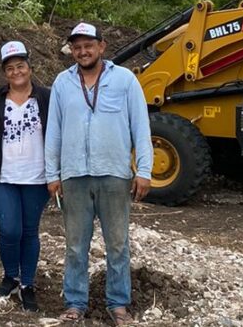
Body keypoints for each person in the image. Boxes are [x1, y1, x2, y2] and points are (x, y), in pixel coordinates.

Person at [45, 22, 153, 325]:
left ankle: (118, 304)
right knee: (75, 245)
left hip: (114, 175)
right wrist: (52, 174)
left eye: (88, 45)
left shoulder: (125, 80)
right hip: (74, 177)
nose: (82, 51)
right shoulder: (63, 83)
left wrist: (143, 170)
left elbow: (141, 127)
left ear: (101, 46)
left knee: (117, 244)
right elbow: (53, 132)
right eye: (77, 47)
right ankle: (75, 303)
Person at [0, 41, 52, 312]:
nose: (16, 72)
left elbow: (57, 136)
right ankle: (10, 276)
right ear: (4, 72)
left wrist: (57, 174)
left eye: (21, 66)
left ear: (30, 68)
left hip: (37, 177)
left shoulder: (45, 98)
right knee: (9, 230)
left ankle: (27, 284)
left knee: (29, 232)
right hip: (3, 177)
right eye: (10, 68)